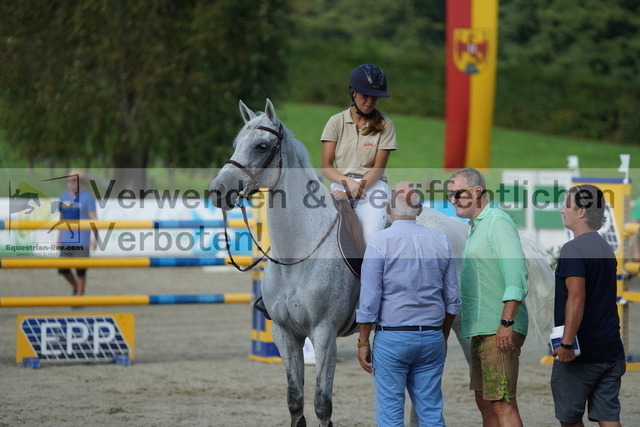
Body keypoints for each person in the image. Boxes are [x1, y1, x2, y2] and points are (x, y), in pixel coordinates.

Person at [356, 182, 460, 426]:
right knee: (432, 412)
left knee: (390, 413)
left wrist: (362, 341)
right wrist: (442, 336)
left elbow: (369, 299)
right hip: (432, 336)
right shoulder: (441, 241)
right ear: (420, 210)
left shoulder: (380, 241)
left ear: (388, 209)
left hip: (393, 337)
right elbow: (452, 300)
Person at [447, 168, 528, 427]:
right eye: (449, 195)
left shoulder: (497, 221)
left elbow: (516, 275)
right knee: (484, 401)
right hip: (480, 328)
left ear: (477, 191)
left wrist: (506, 323)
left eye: (458, 193)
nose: (453, 200)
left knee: (502, 402)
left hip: (499, 327)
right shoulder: (475, 227)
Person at [552, 184, 625, 427]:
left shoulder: (573, 249)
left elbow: (576, 298)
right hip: (611, 348)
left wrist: (566, 344)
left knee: (570, 419)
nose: (563, 210)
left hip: (582, 353)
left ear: (581, 211)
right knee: (608, 417)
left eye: (567, 204)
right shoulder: (605, 247)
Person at [321, 63, 397, 244]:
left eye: (375, 98)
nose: (370, 102)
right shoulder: (335, 122)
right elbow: (326, 166)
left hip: (373, 189)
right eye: (365, 96)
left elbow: (378, 169)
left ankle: (370, 272)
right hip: (341, 184)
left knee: (370, 237)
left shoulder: (386, 125)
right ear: (353, 93)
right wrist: (348, 184)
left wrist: (355, 190)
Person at [57, 170, 98, 296]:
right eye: (69, 180)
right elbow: (62, 219)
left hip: (82, 239)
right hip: (66, 239)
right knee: (63, 269)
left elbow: (94, 220)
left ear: (81, 182)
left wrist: (95, 239)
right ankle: (75, 287)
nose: (71, 183)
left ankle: (79, 297)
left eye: (74, 180)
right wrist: (58, 238)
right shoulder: (64, 197)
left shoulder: (88, 198)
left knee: (80, 270)